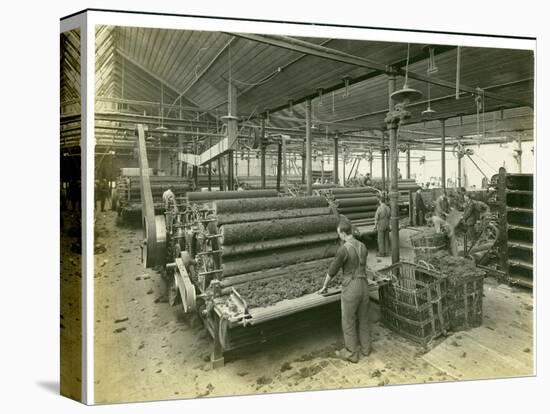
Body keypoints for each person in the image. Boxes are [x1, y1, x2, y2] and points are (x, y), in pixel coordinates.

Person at [318, 218, 370, 363]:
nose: (339, 236)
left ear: (343, 233)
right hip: (364, 284)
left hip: (351, 286)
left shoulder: (344, 249)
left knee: (348, 320)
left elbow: (333, 270)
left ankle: (352, 353)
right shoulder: (363, 246)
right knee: (364, 318)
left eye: (339, 234)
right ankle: (366, 349)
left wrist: (325, 286)